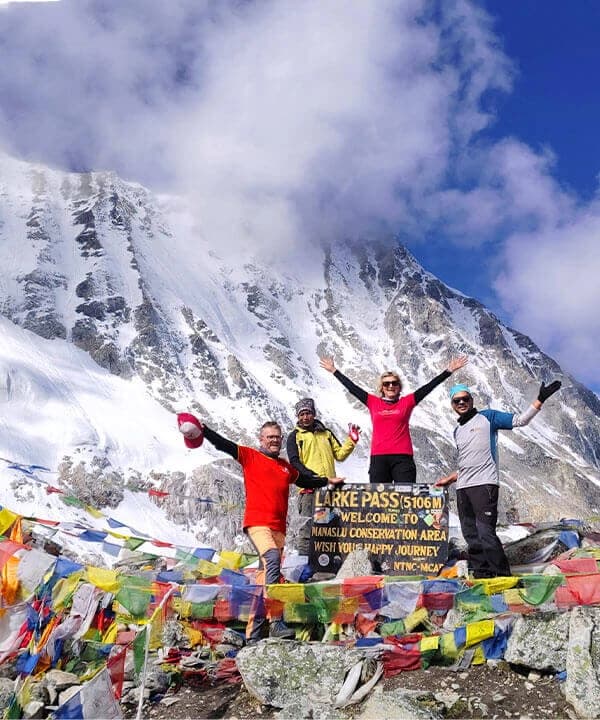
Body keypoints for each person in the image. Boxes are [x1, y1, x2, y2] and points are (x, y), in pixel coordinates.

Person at [177, 412, 344, 643]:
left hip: (279, 530)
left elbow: (305, 481)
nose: (274, 440)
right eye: (269, 437)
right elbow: (224, 445)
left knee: (265, 578)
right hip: (257, 524)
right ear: (261, 439)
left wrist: (327, 481)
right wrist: (205, 431)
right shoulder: (250, 456)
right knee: (273, 559)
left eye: (277, 437)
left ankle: (254, 636)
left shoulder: (286, 468)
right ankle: (276, 621)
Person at [435, 380, 561, 578]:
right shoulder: (457, 430)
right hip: (463, 487)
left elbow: (521, 420)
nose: (461, 403)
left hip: (485, 484)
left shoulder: (488, 417)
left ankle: (503, 576)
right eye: (457, 400)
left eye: (465, 399)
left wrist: (540, 399)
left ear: (471, 400)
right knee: (471, 535)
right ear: (452, 405)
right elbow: (466, 463)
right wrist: (450, 479)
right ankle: (482, 575)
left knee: (486, 533)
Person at [319, 355, 468, 484]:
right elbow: (352, 387)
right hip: (378, 458)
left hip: (403, 458)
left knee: (406, 499)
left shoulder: (407, 402)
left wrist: (448, 371)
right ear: (382, 388)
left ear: (399, 387)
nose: (390, 386)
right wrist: (334, 371)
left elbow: (428, 387)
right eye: (386, 384)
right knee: (379, 501)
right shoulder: (372, 402)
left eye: (394, 383)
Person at [286, 397, 359, 574]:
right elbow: (294, 462)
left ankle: (329, 566)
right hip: (309, 489)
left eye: (308, 413)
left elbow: (340, 455)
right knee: (307, 528)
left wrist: (352, 440)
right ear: (298, 416)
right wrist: (312, 477)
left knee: (331, 527)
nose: (305, 417)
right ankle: (304, 567)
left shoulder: (325, 433)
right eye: (302, 414)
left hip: (330, 490)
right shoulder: (294, 436)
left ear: (314, 414)